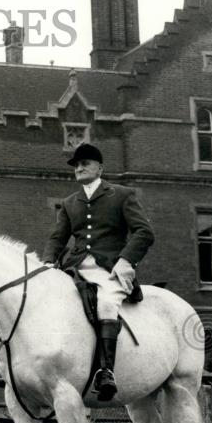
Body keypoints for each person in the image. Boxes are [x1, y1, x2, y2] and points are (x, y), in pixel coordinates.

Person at [42, 143, 155, 401]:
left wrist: (126, 261)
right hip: (76, 267)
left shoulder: (121, 194)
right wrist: (48, 262)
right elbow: (57, 238)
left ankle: (106, 371)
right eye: (76, 165)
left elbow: (144, 232)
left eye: (86, 163)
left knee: (105, 303)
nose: (79, 168)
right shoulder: (70, 202)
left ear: (100, 168)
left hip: (110, 268)